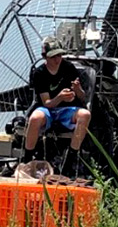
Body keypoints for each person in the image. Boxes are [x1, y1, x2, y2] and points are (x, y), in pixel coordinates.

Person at [22, 34, 92, 175]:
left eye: (59, 56)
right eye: (53, 57)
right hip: (49, 108)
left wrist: (77, 90)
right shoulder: (40, 73)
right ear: (45, 57)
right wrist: (60, 97)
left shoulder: (69, 68)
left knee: (85, 115)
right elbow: (47, 103)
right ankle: (27, 158)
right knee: (35, 118)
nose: (57, 59)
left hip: (68, 109)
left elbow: (82, 97)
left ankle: (70, 158)